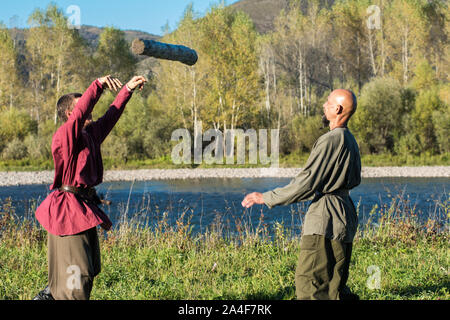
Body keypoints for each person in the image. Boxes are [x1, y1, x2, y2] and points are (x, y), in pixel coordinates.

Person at [33, 74, 147, 300]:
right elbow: (79, 115)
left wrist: (127, 90)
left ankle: (48, 296)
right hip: (67, 211)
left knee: (89, 269)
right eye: (84, 104)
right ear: (69, 114)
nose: (90, 110)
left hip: (81, 208)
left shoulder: (90, 135)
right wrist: (97, 86)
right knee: (77, 275)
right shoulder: (66, 135)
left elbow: (110, 116)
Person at [242, 89, 361, 300]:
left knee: (310, 286)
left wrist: (266, 197)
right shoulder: (350, 140)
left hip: (326, 218)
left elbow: (305, 184)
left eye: (328, 102)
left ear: (337, 109)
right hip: (345, 215)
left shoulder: (330, 140)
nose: (324, 106)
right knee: (335, 286)